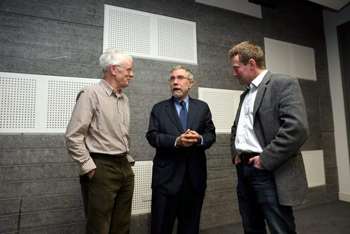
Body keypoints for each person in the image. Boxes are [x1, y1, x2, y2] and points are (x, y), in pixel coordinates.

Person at [229, 41, 309, 233]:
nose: (234, 74)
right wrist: (236, 153)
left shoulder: (283, 83)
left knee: (280, 228)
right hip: (245, 169)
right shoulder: (246, 93)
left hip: (268, 170)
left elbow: (297, 128)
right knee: (251, 227)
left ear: (251, 64)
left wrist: (265, 159)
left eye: (236, 68)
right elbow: (237, 128)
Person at [66, 49, 135, 234]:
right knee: (99, 228)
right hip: (101, 167)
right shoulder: (90, 93)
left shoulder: (124, 98)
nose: (132, 73)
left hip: (124, 166)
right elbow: (73, 136)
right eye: (128, 69)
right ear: (113, 69)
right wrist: (89, 168)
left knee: (122, 227)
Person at [146, 65, 216, 234]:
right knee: (161, 227)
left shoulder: (202, 107)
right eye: (172, 79)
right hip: (166, 179)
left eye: (179, 78)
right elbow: (152, 136)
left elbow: (211, 135)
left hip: (194, 179)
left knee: (190, 228)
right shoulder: (159, 108)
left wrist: (199, 139)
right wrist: (176, 141)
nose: (175, 82)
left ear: (190, 83)